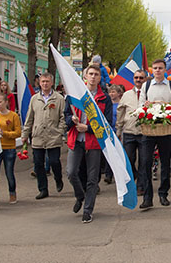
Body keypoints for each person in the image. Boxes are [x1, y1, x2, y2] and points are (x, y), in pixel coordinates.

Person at [64, 64, 112, 223]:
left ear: (100, 78)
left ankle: (88, 210)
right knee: (71, 172)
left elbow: (107, 125)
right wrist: (71, 120)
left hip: (94, 142)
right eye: (90, 74)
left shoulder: (104, 98)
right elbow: (66, 116)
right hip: (76, 139)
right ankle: (80, 195)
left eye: (96, 74)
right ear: (85, 76)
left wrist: (89, 128)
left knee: (92, 179)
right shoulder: (74, 95)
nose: (93, 77)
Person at [138, 59, 171, 209]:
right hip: (148, 129)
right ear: (152, 70)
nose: (157, 70)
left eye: (160, 68)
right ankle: (147, 197)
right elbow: (140, 107)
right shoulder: (146, 85)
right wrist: (146, 107)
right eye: (155, 68)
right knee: (145, 163)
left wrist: (169, 112)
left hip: (166, 130)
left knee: (165, 162)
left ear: (165, 70)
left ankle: (163, 194)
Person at [21, 72, 66, 200]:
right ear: (39, 83)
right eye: (43, 81)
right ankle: (43, 189)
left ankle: (58, 178)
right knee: (38, 164)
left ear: (52, 83)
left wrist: (60, 131)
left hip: (53, 135)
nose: (45, 84)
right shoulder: (34, 99)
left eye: (47, 81)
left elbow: (63, 117)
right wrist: (25, 134)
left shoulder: (59, 98)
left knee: (54, 161)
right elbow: (29, 118)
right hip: (38, 136)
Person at [116, 70, 146, 194]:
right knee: (129, 159)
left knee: (144, 161)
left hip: (145, 133)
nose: (138, 80)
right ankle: (134, 176)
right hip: (129, 132)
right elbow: (120, 112)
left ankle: (141, 186)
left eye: (141, 78)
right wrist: (118, 129)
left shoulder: (149, 94)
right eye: (136, 77)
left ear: (145, 79)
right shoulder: (126, 95)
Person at [102, 84, 123, 184]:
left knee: (118, 154)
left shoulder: (121, 105)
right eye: (110, 92)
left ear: (119, 94)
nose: (111, 94)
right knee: (109, 154)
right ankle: (108, 174)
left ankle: (119, 174)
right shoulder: (107, 104)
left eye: (113, 92)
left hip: (118, 131)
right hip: (109, 131)